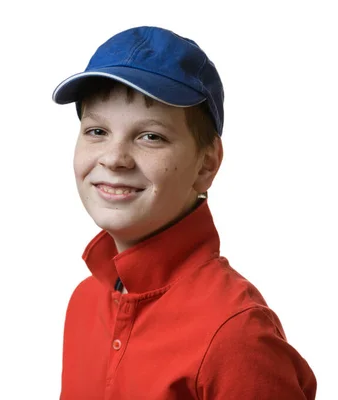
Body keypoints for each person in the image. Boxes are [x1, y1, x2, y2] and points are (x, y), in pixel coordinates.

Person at [51, 26, 316, 400]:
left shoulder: (235, 333)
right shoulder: (84, 302)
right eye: (97, 130)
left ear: (206, 163)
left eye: (151, 136)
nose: (113, 158)